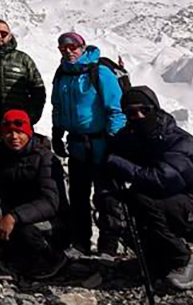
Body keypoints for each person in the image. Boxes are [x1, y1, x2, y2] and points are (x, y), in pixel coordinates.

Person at [102, 86, 193, 289]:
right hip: (166, 201)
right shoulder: (129, 137)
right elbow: (109, 166)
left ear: (155, 109)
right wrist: (109, 196)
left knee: (145, 200)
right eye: (131, 112)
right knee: (121, 202)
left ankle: (182, 259)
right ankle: (154, 259)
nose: (139, 116)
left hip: (189, 204)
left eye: (144, 110)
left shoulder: (178, 140)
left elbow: (162, 180)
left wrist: (120, 165)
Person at [51, 31, 126, 255]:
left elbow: (116, 109)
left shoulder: (99, 72)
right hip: (77, 144)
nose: (68, 51)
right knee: (78, 195)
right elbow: (57, 106)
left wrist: (115, 141)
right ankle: (80, 242)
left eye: (73, 47)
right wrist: (57, 132)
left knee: (106, 196)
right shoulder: (62, 74)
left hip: (101, 143)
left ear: (82, 47)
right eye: (63, 48)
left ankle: (108, 246)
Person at [0, 110, 68, 279]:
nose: (14, 137)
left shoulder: (45, 158)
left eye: (19, 132)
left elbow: (50, 202)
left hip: (49, 218)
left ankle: (53, 258)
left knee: (26, 232)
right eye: (9, 132)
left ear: (28, 133)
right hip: (16, 212)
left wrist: (14, 217)